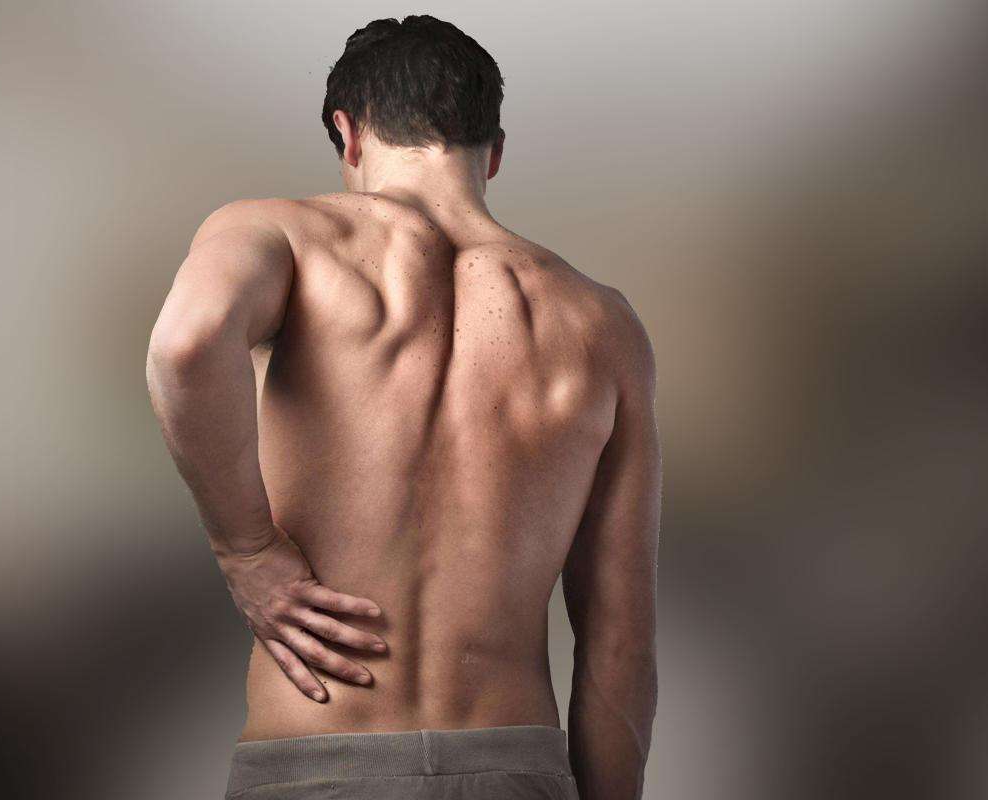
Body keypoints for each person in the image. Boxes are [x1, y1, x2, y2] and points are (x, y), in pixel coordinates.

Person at [145, 14, 660, 800]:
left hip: (316, 770)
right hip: (512, 768)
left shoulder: (283, 238)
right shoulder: (603, 323)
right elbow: (620, 643)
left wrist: (245, 550)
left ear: (349, 134)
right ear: (493, 152)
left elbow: (186, 344)